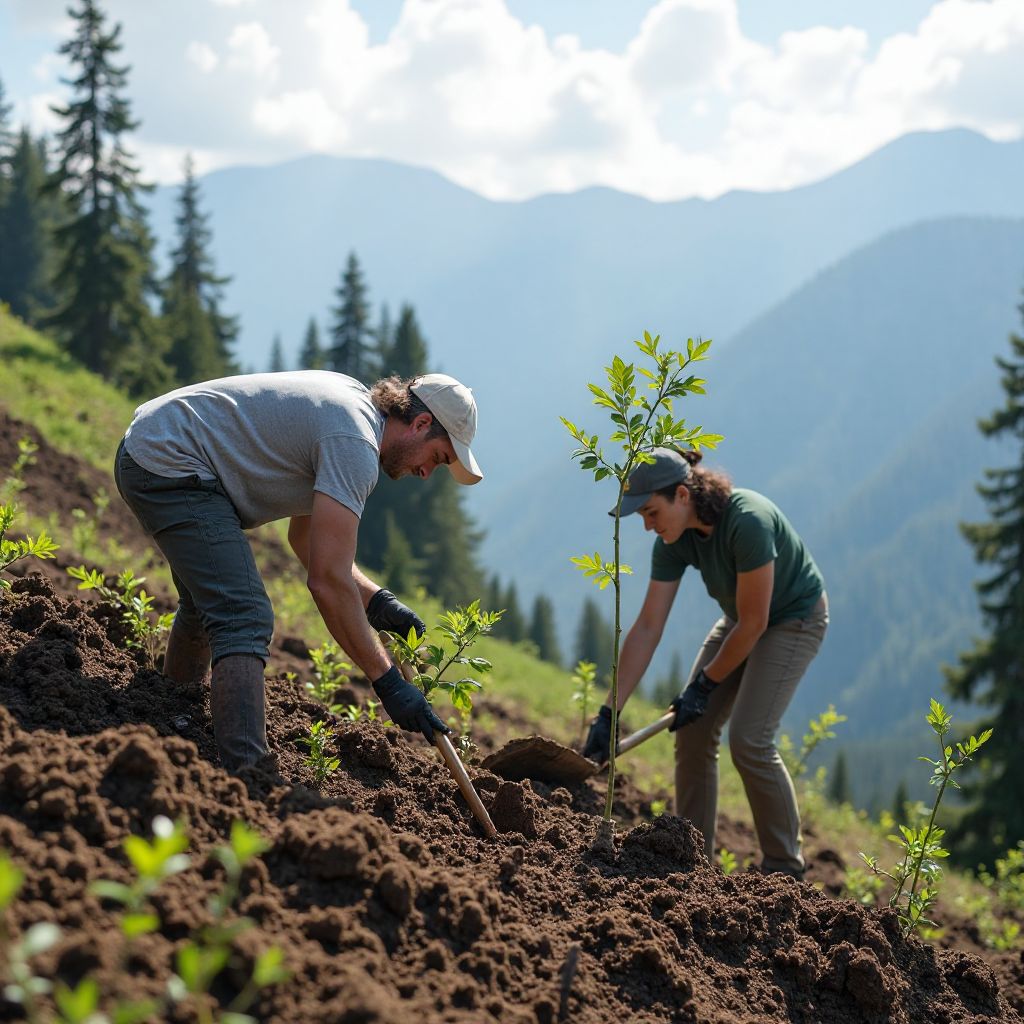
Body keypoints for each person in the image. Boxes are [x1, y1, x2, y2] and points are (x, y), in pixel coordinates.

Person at [113, 370, 483, 771]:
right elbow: (326, 580)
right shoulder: (354, 444)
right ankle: (249, 774)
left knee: (211, 604)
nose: (427, 473)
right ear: (421, 424)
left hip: (159, 445)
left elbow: (306, 541)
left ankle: (173, 713)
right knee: (243, 614)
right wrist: (388, 681)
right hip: (169, 462)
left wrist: (377, 602)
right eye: (438, 458)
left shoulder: (353, 411)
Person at [581, 447, 827, 878]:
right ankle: (692, 860)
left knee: (750, 740)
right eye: (641, 517)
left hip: (793, 620)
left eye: (651, 512)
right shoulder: (674, 539)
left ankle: (786, 870)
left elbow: (756, 623)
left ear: (682, 495)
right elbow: (647, 627)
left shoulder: (747, 521)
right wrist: (609, 711)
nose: (648, 525)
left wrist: (704, 685)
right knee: (692, 730)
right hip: (742, 617)